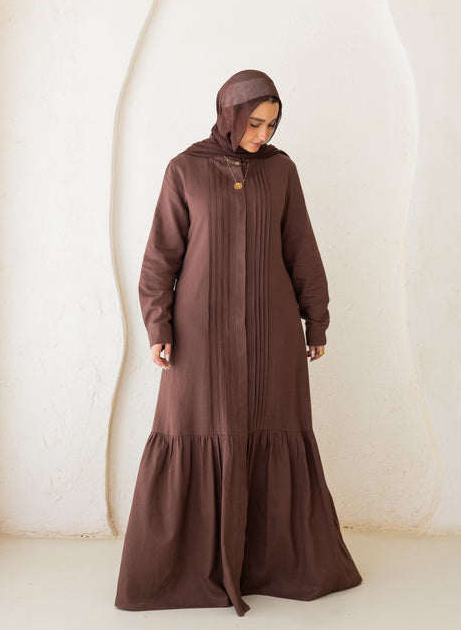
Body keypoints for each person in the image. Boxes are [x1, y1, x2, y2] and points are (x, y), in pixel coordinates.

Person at [114, 69, 362, 616]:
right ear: (229, 115)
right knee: (194, 428)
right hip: (198, 336)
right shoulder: (185, 169)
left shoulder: (282, 170)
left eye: (271, 124)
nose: (262, 135)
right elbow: (160, 259)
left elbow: (302, 249)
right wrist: (158, 327)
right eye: (254, 123)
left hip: (274, 333)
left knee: (273, 426)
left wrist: (316, 320)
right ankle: (187, 571)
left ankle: (271, 567)